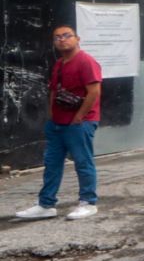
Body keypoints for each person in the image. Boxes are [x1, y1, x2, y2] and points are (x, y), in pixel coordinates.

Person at [16, 25, 103, 220]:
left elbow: (94, 92)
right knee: (52, 163)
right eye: (57, 38)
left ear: (77, 38)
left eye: (66, 36)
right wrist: (51, 115)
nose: (62, 40)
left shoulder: (86, 61)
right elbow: (54, 91)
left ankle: (88, 202)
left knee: (83, 162)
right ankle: (46, 204)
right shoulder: (59, 64)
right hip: (57, 123)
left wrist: (80, 116)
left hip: (80, 123)